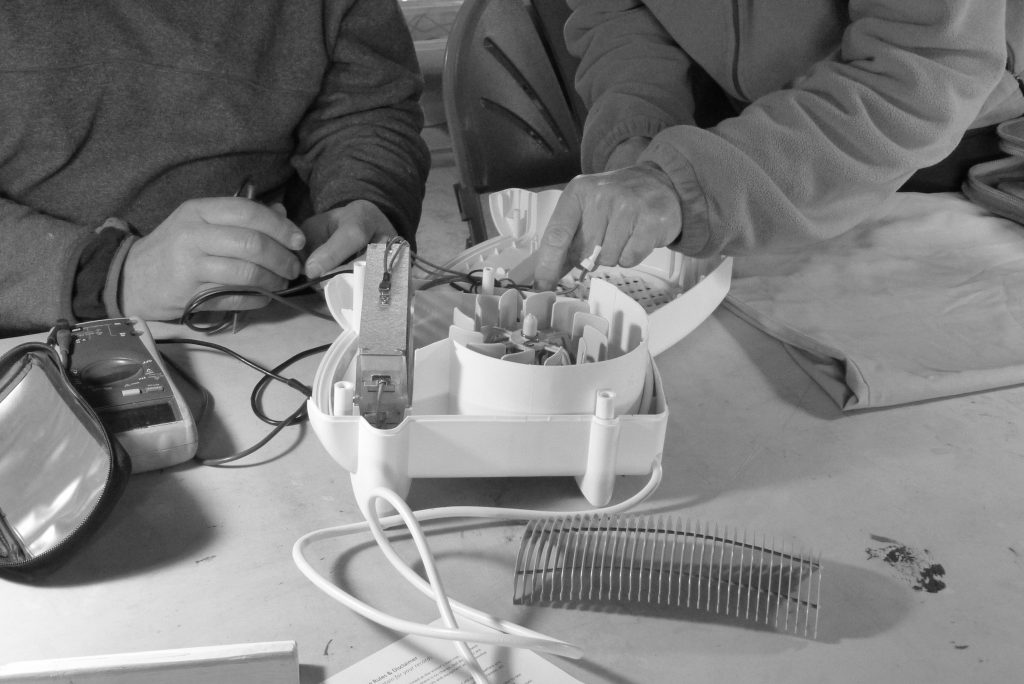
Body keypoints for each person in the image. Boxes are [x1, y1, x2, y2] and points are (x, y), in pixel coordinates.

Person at [0, 0, 430, 336]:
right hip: (35, 331)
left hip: (280, 318)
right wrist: (108, 275)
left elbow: (367, 109)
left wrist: (365, 195)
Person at [532, 0, 1024, 290]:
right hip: (723, 163)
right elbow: (621, 12)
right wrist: (637, 133)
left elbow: (921, 70)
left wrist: (684, 186)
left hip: (925, 157)